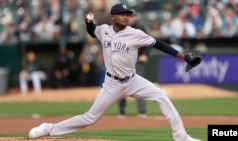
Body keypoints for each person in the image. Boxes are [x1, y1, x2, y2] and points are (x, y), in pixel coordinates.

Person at [29, 4, 202, 141]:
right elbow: (92, 31)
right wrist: (88, 23)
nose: (126, 17)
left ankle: (182, 137)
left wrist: (181, 56)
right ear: (113, 16)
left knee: (161, 96)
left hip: (133, 81)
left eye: (128, 14)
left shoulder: (135, 34)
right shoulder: (104, 30)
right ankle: (48, 129)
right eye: (122, 14)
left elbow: (158, 44)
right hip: (112, 84)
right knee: (90, 118)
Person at [118, 11, 149, 118]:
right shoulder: (120, 28)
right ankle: (121, 111)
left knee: (139, 85)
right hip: (123, 61)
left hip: (137, 60)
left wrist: (145, 54)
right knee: (122, 85)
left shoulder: (140, 29)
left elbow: (148, 42)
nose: (130, 18)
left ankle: (142, 111)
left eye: (131, 16)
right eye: (128, 16)